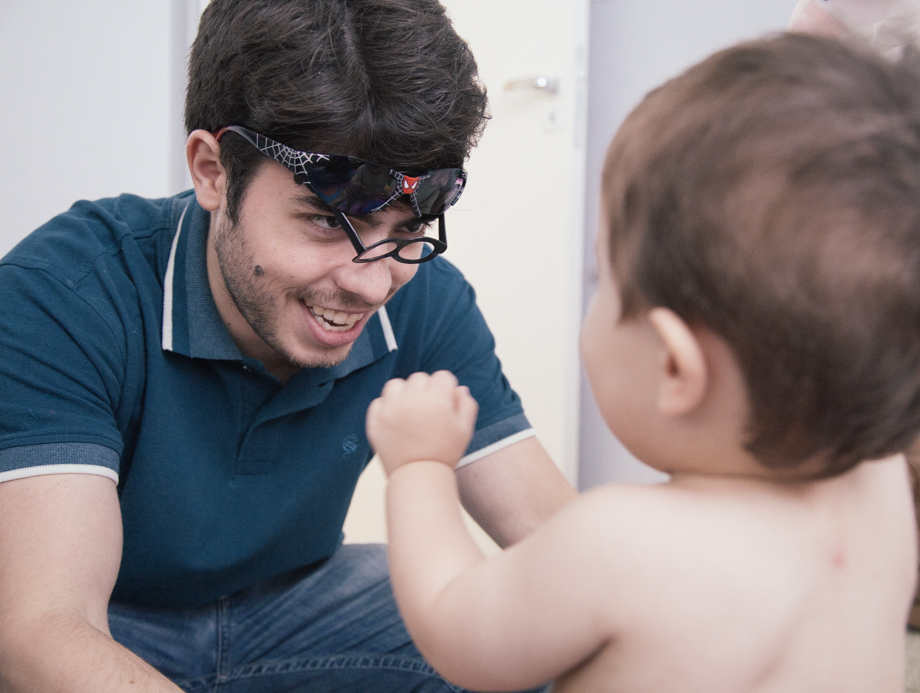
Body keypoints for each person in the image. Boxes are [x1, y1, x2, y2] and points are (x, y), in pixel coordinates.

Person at [366, 33, 920, 692]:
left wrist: (419, 465)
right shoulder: (883, 486)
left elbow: (457, 624)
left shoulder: (617, 543)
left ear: (676, 368)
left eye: (606, 283)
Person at [0, 1, 575, 691]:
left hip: (294, 610)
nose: (370, 282)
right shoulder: (66, 290)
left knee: (530, 628)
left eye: (408, 227)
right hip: (113, 619)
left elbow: (567, 553)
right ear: (213, 171)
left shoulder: (422, 294)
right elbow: (43, 630)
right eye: (329, 224)